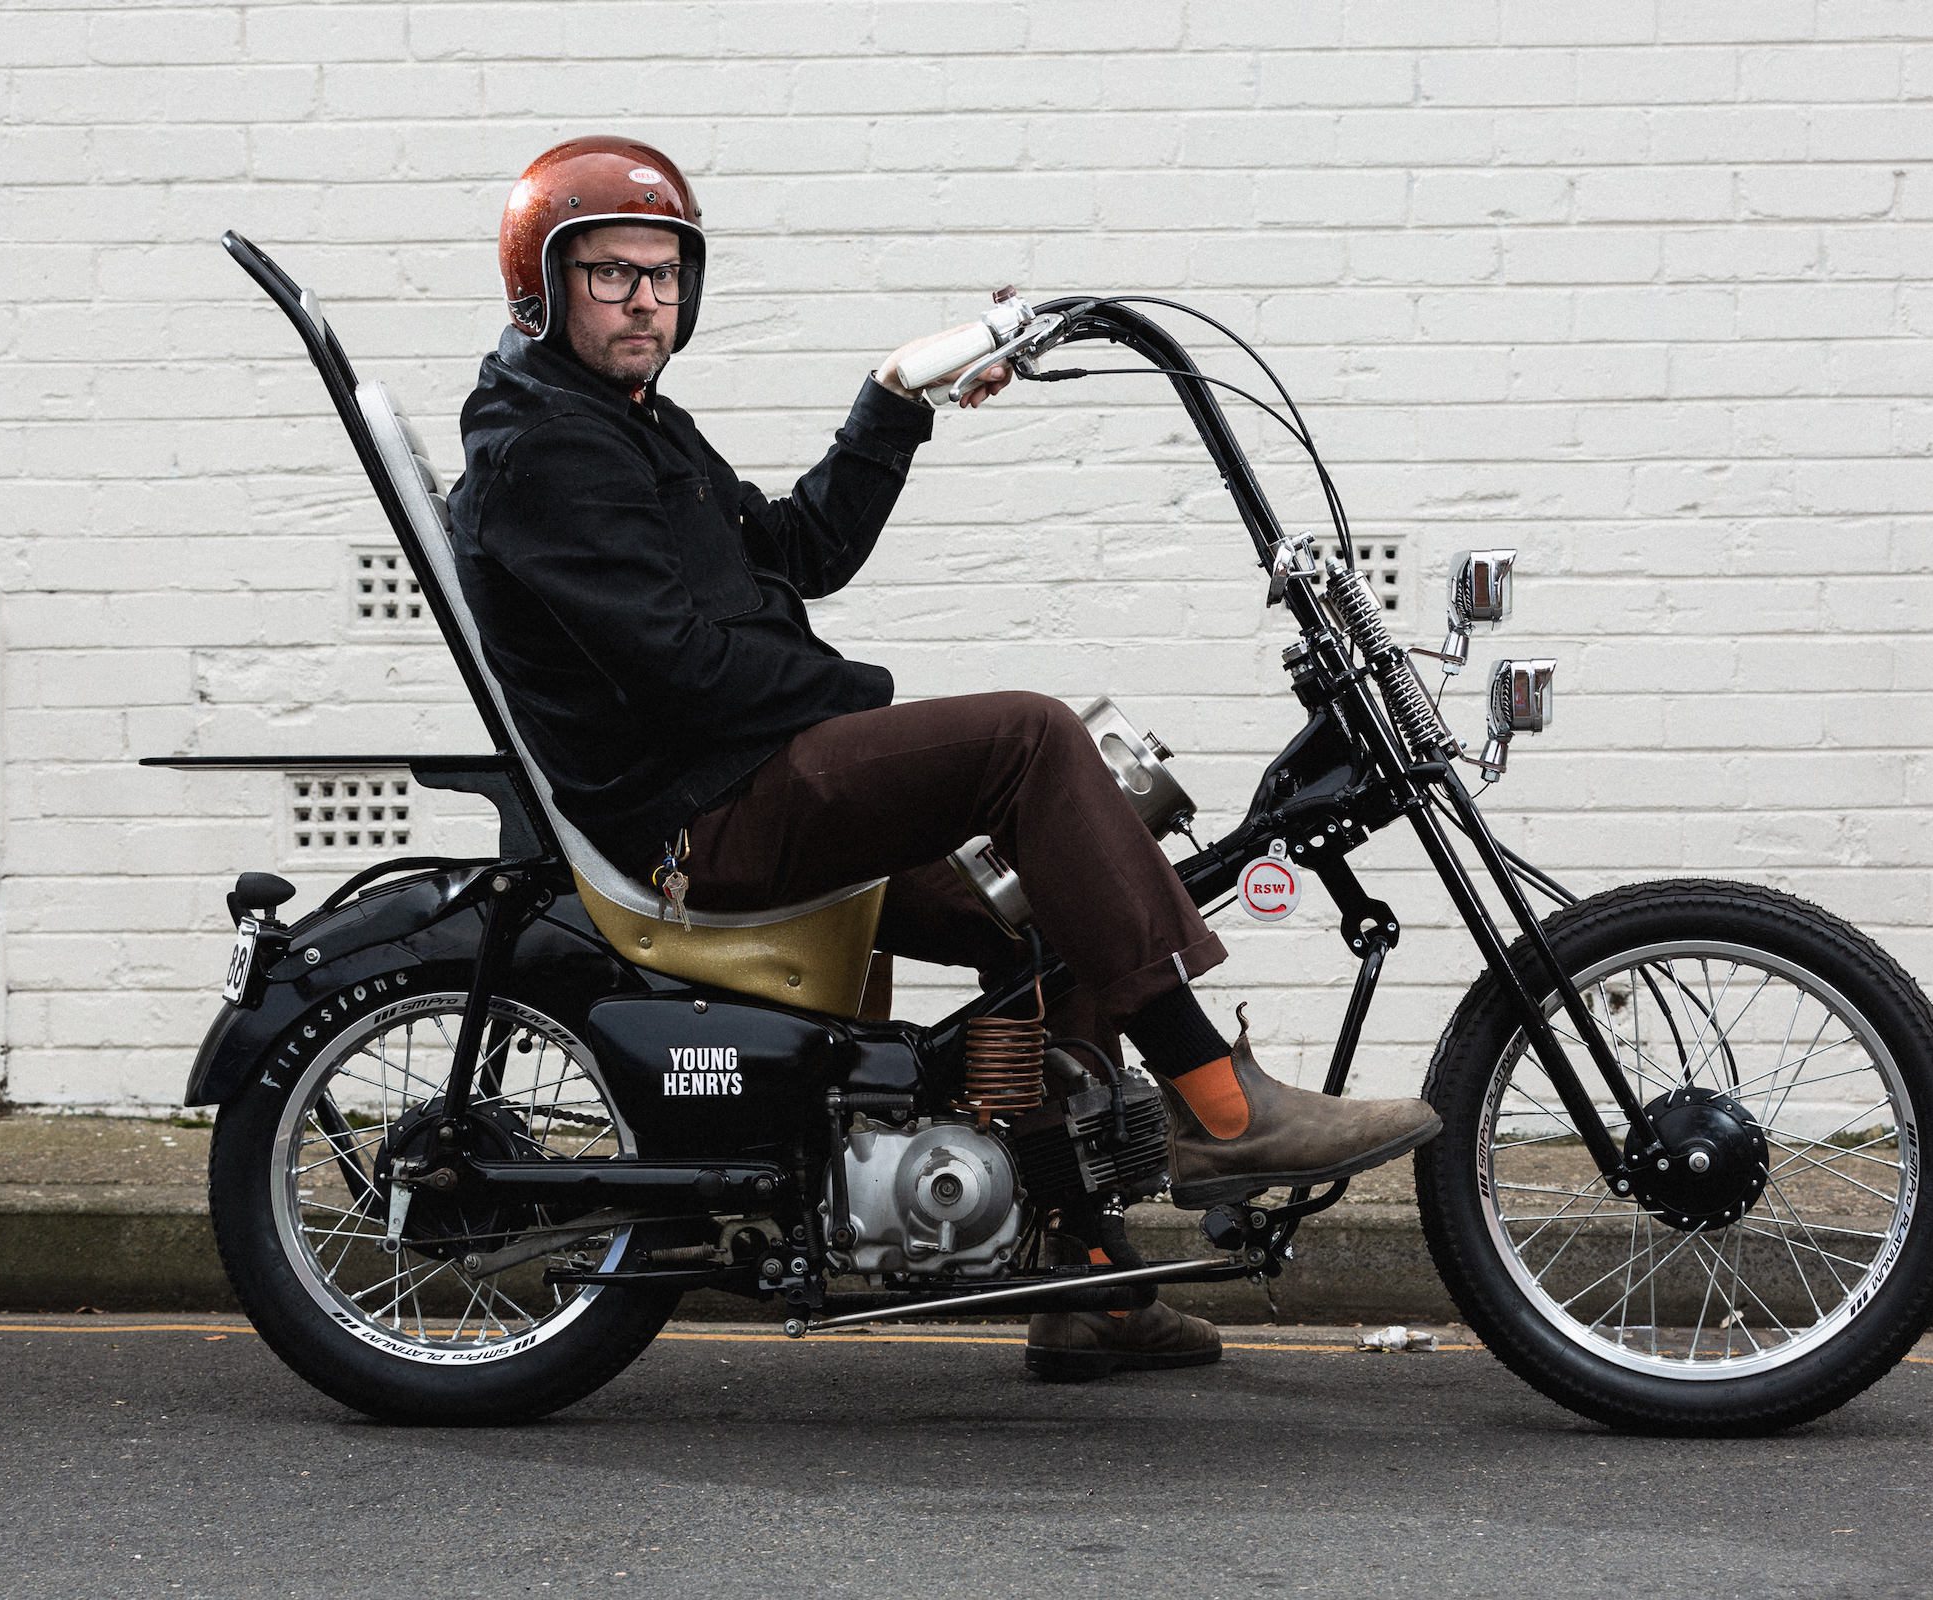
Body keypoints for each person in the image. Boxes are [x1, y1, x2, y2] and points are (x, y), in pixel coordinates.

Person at [446, 136, 1440, 1381]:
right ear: (541, 290)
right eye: (610, 275)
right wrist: (858, 700)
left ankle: (1090, 1287)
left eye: (665, 275)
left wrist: (894, 398)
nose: (646, 298)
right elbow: (688, 672)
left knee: (1046, 896)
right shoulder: (547, 451)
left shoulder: (628, 424)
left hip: (742, 777)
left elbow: (798, 551)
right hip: (702, 817)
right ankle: (1220, 1109)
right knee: (1027, 735)